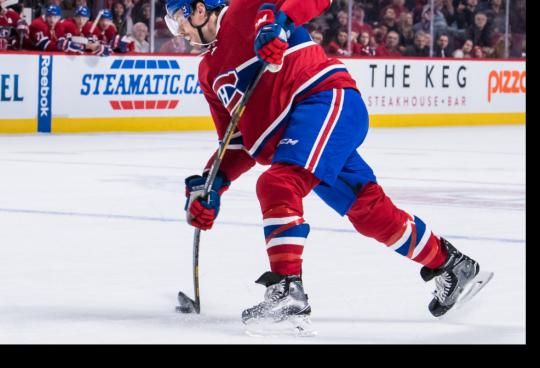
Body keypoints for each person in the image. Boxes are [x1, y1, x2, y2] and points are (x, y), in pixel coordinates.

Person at [166, 0, 492, 329]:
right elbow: (235, 141)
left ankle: (288, 291)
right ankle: (452, 265)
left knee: (278, 184)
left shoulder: (244, 8)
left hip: (323, 100)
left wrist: (276, 21)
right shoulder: (207, 72)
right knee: (370, 212)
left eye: (178, 17)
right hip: (300, 139)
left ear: (198, 9)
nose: (177, 29)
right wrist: (213, 182)